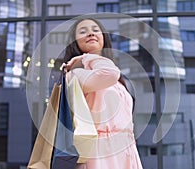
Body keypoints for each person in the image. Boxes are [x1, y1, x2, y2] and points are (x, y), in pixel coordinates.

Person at [61, 17, 143, 169]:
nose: (91, 34)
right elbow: (109, 73)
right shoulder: (77, 74)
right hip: (99, 153)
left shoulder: (118, 80)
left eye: (95, 30)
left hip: (126, 151)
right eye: (83, 32)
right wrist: (87, 57)